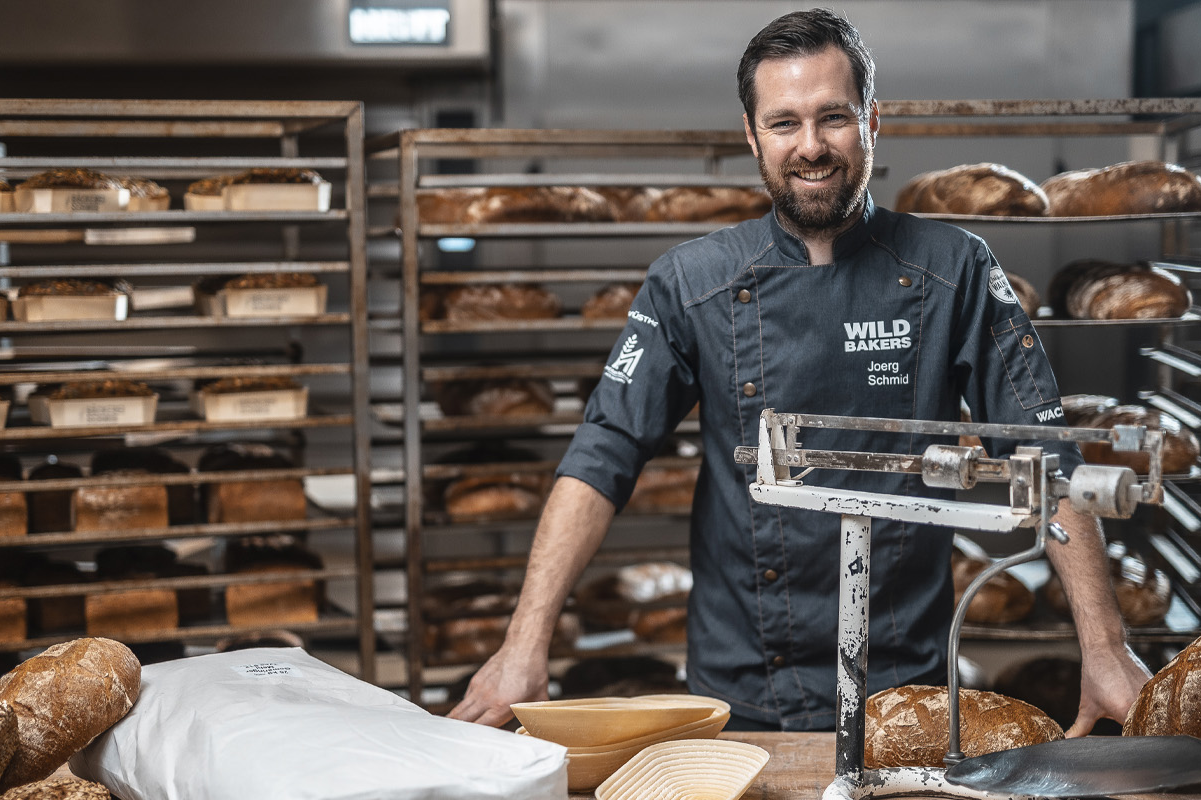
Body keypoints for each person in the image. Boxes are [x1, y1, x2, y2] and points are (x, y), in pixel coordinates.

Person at [449, 7, 1151, 734]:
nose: (811, 147)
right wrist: (524, 644)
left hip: (905, 686)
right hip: (744, 687)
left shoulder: (954, 269)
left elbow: (1043, 455)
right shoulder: (692, 282)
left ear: (873, 122)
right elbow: (604, 453)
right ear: (751, 135)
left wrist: (1104, 648)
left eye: (834, 118)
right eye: (784, 123)